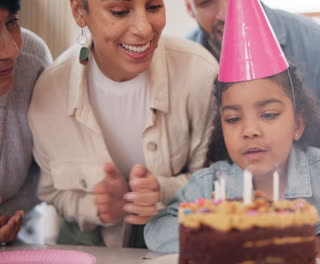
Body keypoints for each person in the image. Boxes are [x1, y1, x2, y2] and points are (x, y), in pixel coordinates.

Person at [144, 0, 320, 261]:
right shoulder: (210, 184)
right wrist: (221, 234)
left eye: (269, 114)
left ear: (298, 124)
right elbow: (156, 231)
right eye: (233, 119)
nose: (249, 130)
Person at [28, 0, 218, 247]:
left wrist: (165, 190)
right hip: (90, 247)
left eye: (153, 7)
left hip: (179, 244)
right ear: (79, 11)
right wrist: (96, 206)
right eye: (119, 12)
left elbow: (221, 179)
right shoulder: (49, 92)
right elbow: (51, 190)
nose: (144, 29)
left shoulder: (200, 73)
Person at [183, 0, 320, 149]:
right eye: (206, 2)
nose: (226, 14)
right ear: (189, 7)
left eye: (270, 114)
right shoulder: (184, 63)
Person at [0, 0, 52, 244]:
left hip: (21, 233)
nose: (11, 50)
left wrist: (7, 215)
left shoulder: (33, 59)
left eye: (11, 23)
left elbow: (47, 166)